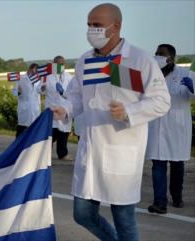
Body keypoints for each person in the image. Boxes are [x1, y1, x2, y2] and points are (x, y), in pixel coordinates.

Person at [51, 3, 170, 241]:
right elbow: (77, 96)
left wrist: (130, 111)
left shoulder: (138, 60)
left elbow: (161, 101)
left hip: (122, 149)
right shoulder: (85, 61)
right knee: (82, 213)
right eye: (89, 25)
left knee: (124, 218)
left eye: (97, 25)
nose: (91, 30)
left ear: (116, 26)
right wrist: (64, 110)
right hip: (91, 148)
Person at [145, 44, 194, 214]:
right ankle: (160, 202)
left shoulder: (186, 74)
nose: (157, 56)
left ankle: (177, 196)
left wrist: (192, 88)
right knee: (157, 164)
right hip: (156, 125)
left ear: (171, 58)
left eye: (161, 54)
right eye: (156, 53)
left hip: (177, 127)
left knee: (177, 164)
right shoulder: (150, 75)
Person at [37, 56, 74, 160]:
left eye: (62, 64)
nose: (61, 66)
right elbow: (39, 90)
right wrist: (42, 88)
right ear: (54, 65)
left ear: (65, 65)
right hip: (52, 108)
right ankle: (45, 155)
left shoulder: (69, 77)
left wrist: (63, 92)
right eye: (58, 64)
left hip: (64, 108)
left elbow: (73, 93)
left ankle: (63, 154)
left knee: (63, 133)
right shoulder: (48, 77)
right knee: (51, 134)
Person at [15, 63, 41, 137]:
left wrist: (43, 88)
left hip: (35, 107)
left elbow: (41, 91)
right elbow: (14, 92)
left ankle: (31, 147)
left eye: (37, 71)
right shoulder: (20, 78)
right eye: (34, 69)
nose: (35, 72)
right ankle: (17, 146)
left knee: (34, 129)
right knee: (22, 128)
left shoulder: (38, 79)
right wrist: (18, 92)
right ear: (30, 69)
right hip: (24, 107)